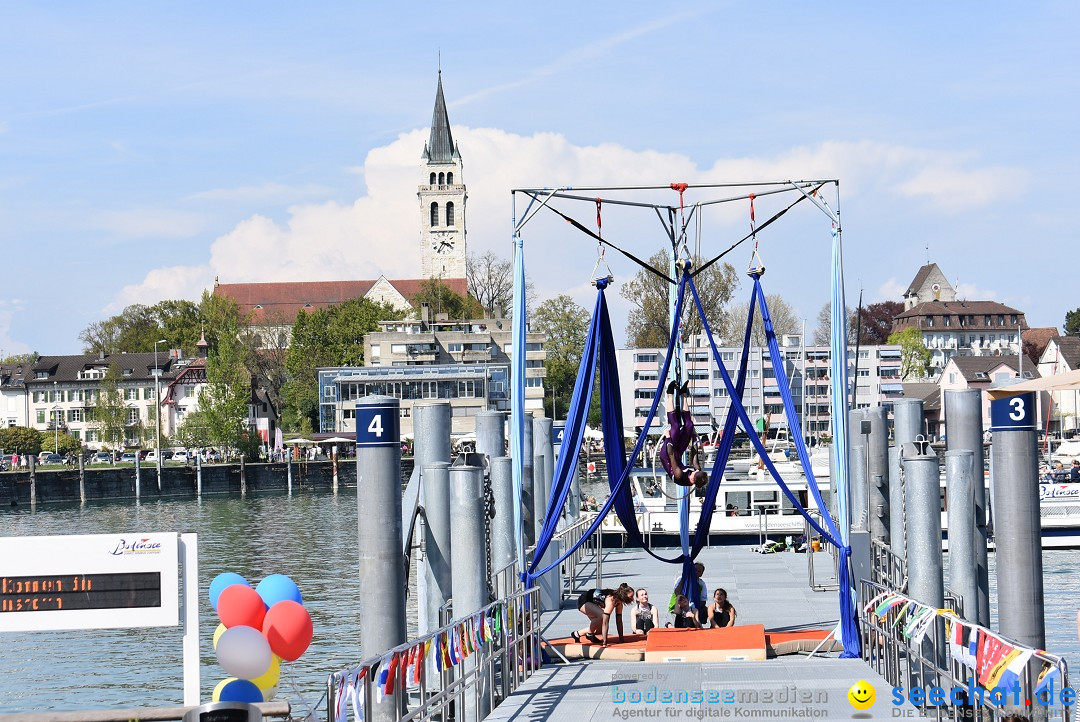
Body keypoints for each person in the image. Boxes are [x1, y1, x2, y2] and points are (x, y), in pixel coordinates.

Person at [660, 381, 708, 490]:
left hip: (668, 455)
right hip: (677, 454)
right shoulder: (697, 473)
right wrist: (694, 437)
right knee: (690, 426)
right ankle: (683, 395)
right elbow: (694, 456)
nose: (696, 470)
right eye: (697, 470)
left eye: (696, 472)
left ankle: (670, 394)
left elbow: (671, 454)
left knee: (676, 426)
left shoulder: (680, 475)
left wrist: (667, 438)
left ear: (693, 478)